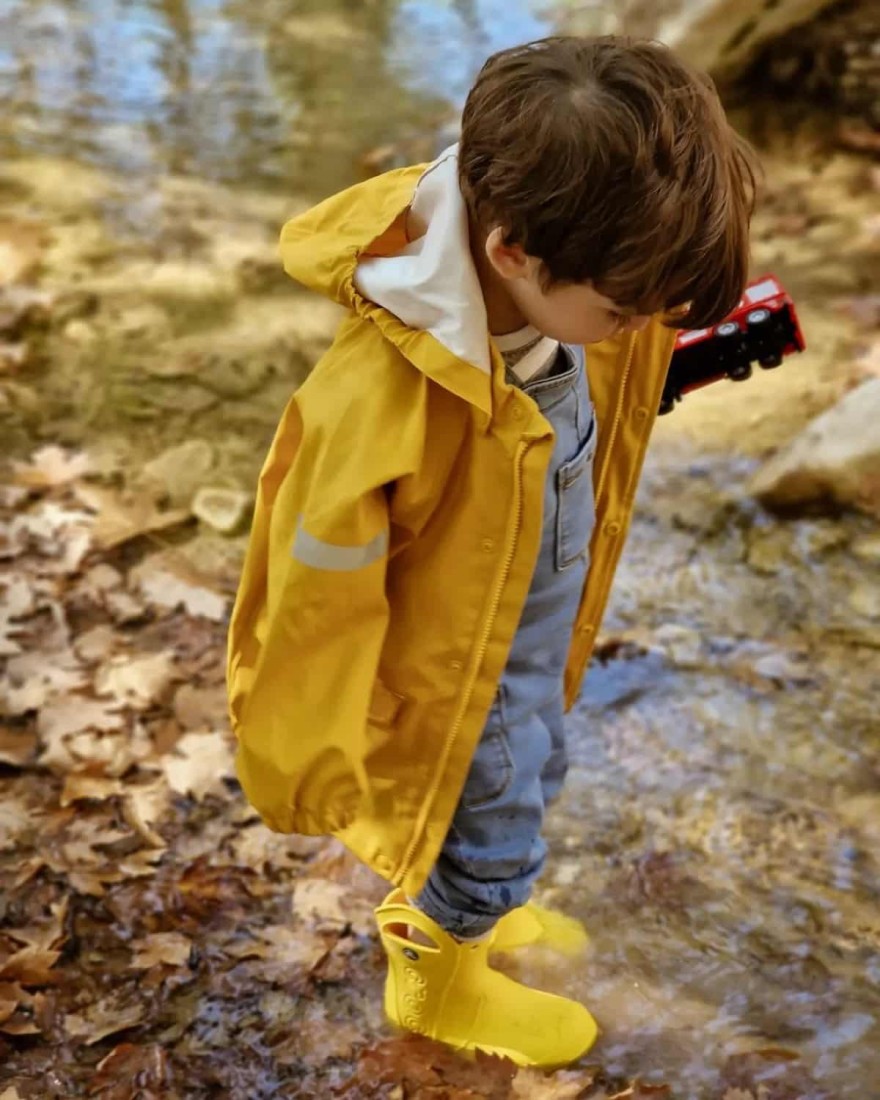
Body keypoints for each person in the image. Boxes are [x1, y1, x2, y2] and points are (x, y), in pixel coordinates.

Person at [226, 35, 757, 1068]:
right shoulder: (380, 398)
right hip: (456, 673)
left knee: (536, 769)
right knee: (493, 808)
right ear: (512, 251)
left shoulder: (559, 282)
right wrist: (301, 753)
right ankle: (437, 971)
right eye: (622, 310)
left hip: (533, 629)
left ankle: (478, 910)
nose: (635, 326)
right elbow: (309, 587)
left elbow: (586, 398)